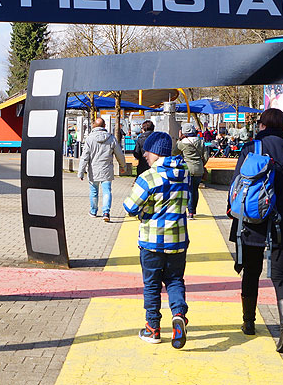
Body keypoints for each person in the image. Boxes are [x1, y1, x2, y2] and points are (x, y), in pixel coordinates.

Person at [228, 108, 283, 354]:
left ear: (262, 125)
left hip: (252, 222)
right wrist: (281, 201)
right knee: (279, 276)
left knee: (251, 272)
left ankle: (249, 322)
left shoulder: (250, 150)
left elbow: (236, 186)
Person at [123, 132, 190, 348]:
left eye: (147, 152)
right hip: (178, 240)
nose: (144, 156)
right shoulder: (185, 173)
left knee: (152, 285)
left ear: (155, 152)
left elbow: (130, 207)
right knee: (175, 280)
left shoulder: (149, 177)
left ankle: (153, 329)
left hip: (152, 241)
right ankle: (178, 314)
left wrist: (146, 209)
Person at [78, 117, 127, 222]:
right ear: (105, 126)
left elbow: (84, 157)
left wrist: (81, 172)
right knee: (107, 191)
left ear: (94, 126)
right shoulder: (111, 138)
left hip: (93, 170)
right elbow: (119, 154)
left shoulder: (89, 139)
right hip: (106, 169)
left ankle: (93, 211)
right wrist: (123, 166)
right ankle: (106, 212)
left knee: (93, 191)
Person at [173, 123, 208, 219]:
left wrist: (179, 139)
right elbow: (205, 157)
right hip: (199, 169)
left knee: (188, 190)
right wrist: (201, 164)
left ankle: (190, 211)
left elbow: (174, 152)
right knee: (195, 189)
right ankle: (193, 210)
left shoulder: (182, 143)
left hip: (187, 169)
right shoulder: (201, 142)